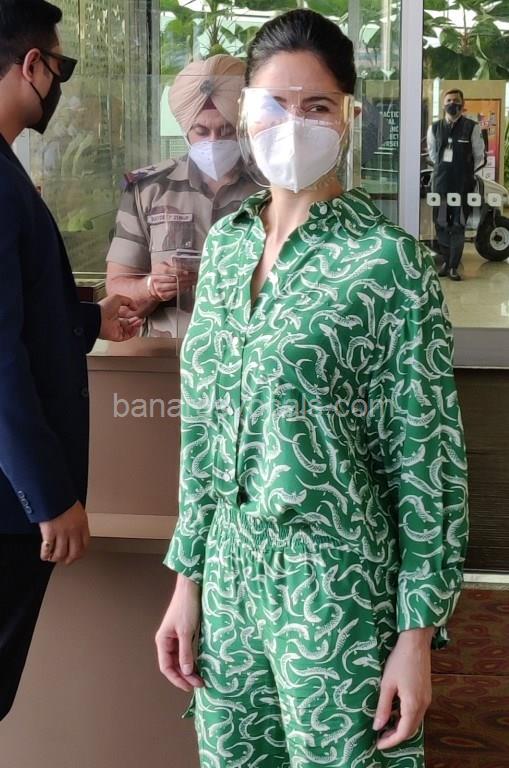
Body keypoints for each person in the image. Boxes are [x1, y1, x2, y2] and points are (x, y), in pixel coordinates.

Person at [155, 9, 469, 767]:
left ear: (348, 117)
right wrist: (186, 581)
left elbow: (427, 462)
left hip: (336, 587)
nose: (293, 124)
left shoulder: (387, 265)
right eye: (275, 104)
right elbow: (202, 430)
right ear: (245, 113)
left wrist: (416, 635)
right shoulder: (227, 249)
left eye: (317, 105)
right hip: (229, 581)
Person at [0, 0, 141, 720]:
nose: (61, 87)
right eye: (62, 68)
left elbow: (21, 320)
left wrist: (90, 319)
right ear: (33, 65)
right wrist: (48, 496)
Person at [106, 55, 258, 339]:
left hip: (250, 353)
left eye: (226, 130)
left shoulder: (270, 189)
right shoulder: (149, 189)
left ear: (243, 127)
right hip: (168, 354)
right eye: (201, 131)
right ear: (186, 131)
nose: (213, 141)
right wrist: (151, 287)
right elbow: (117, 290)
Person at [427, 89, 486, 281]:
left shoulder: (472, 127)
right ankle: (445, 262)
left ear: (462, 104)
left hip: (463, 186)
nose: (452, 103)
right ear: (443, 104)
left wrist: (464, 172)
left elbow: (478, 156)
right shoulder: (434, 128)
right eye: (449, 100)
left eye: (456, 100)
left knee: (458, 225)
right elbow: (433, 155)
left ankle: (453, 266)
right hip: (441, 185)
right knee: (441, 224)